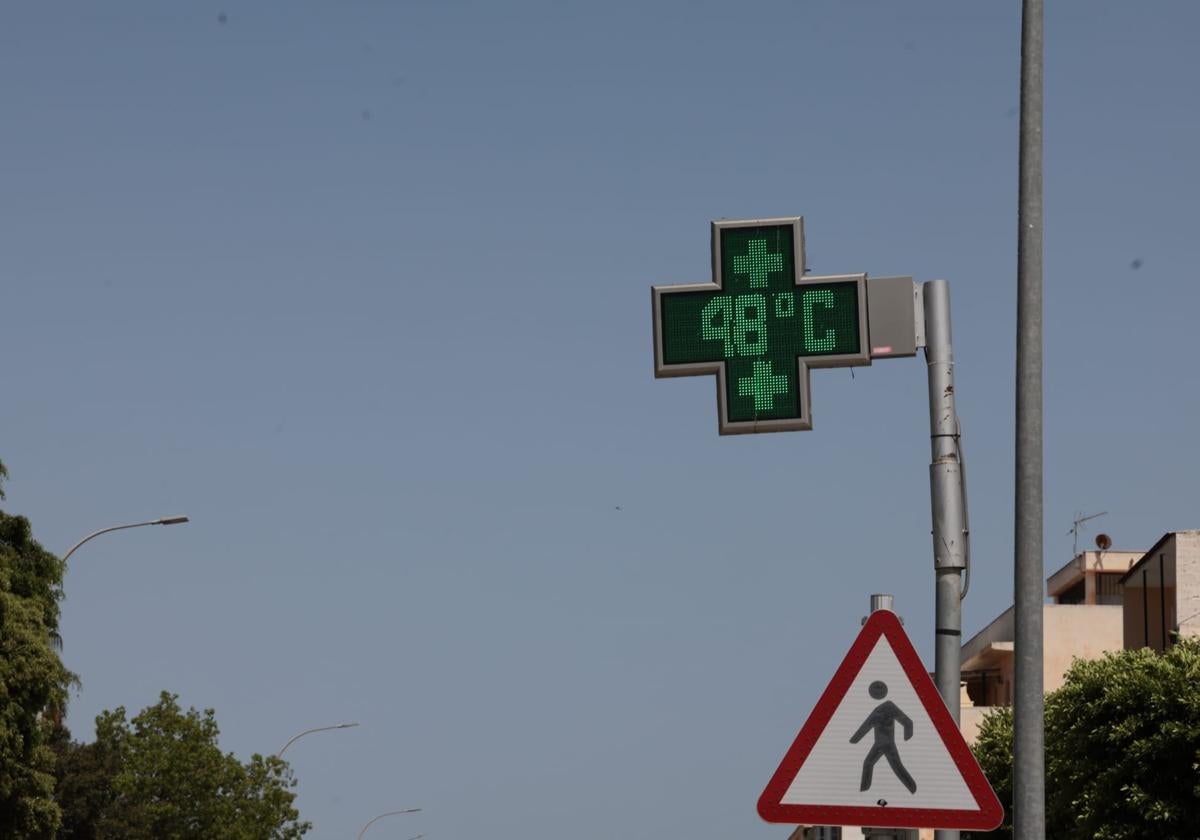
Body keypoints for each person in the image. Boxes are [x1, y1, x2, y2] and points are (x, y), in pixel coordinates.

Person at [849, 680, 916, 794]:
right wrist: (854, 740)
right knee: (869, 763)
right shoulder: (878, 710)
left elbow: (908, 722)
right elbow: (866, 726)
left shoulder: (888, 707)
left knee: (896, 766)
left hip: (888, 744)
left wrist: (907, 736)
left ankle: (913, 788)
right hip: (879, 744)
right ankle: (864, 791)